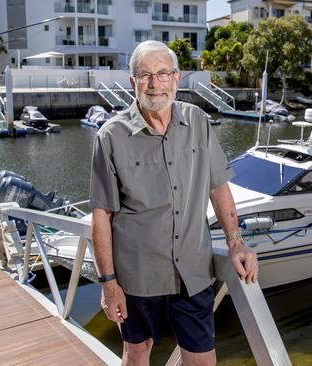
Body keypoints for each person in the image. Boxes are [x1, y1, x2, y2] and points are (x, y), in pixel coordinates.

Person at [90, 40, 258, 366]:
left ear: (177, 79)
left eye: (163, 73)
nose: (155, 84)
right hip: (137, 278)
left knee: (202, 361)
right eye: (145, 75)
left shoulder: (198, 122)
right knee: (137, 354)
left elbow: (219, 188)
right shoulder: (110, 137)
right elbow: (102, 214)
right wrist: (109, 283)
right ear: (132, 82)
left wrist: (236, 243)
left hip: (193, 275)